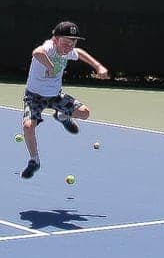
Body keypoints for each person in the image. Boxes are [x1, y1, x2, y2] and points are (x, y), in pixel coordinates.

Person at [19, 20, 109, 179]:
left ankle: (61, 116)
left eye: (72, 43)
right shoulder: (49, 47)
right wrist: (51, 66)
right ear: (55, 39)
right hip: (34, 96)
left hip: (55, 95)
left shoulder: (68, 51)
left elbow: (80, 53)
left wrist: (98, 66)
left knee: (84, 113)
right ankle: (34, 160)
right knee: (28, 126)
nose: (69, 46)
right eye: (65, 42)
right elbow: (37, 52)